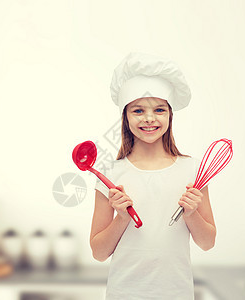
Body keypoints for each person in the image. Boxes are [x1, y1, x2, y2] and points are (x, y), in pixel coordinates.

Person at [89, 52, 216, 300]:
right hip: (124, 293)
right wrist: (122, 218)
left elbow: (207, 242)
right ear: (125, 116)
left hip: (176, 293)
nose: (149, 118)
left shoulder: (193, 171)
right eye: (138, 110)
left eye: (159, 109)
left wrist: (191, 214)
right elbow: (99, 252)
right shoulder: (109, 174)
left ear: (170, 115)